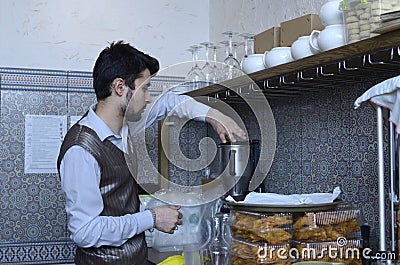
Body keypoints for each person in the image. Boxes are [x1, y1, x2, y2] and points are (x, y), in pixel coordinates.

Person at [57, 40, 247, 265]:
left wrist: (213, 115)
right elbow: (85, 232)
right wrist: (152, 218)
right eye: (144, 88)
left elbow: (169, 103)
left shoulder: (126, 127)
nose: (148, 98)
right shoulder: (81, 150)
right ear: (120, 87)